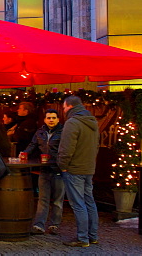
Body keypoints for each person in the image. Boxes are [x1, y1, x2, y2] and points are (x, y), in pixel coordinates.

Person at [58, 96, 100, 248]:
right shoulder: (92, 122)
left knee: (78, 204)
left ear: (69, 106)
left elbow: (66, 149)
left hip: (74, 168)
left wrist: (62, 166)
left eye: (63, 108)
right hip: (88, 168)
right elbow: (96, 146)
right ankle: (93, 235)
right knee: (89, 201)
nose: (63, 111)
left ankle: (83, 238)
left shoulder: (73, 123)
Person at [23, 108, 64, 236]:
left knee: (57, 199)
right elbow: (32, 144)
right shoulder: (40, 131)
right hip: (44, 168)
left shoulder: (63, 132)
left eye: (53, 118)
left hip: (58, 169)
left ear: (58, 119)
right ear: (45, 119)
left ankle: (54, 225)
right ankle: (39, 225)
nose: (51, 120)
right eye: (48, 118)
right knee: (43, 199)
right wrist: (24, 154)